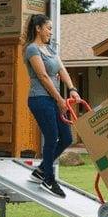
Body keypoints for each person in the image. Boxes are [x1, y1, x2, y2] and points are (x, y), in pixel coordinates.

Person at [23, 14, 80, 198]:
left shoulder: (50, 48)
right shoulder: (32, 49)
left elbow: (62, 69)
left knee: (66, 138)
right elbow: (43, 77)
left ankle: (41, 170)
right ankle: (48, 179)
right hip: (40, 99)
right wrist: (60, 99)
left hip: (54, 99)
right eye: (48, 28)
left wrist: (72, 89)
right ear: (38, 29)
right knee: (52, 136)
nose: (50, 32)